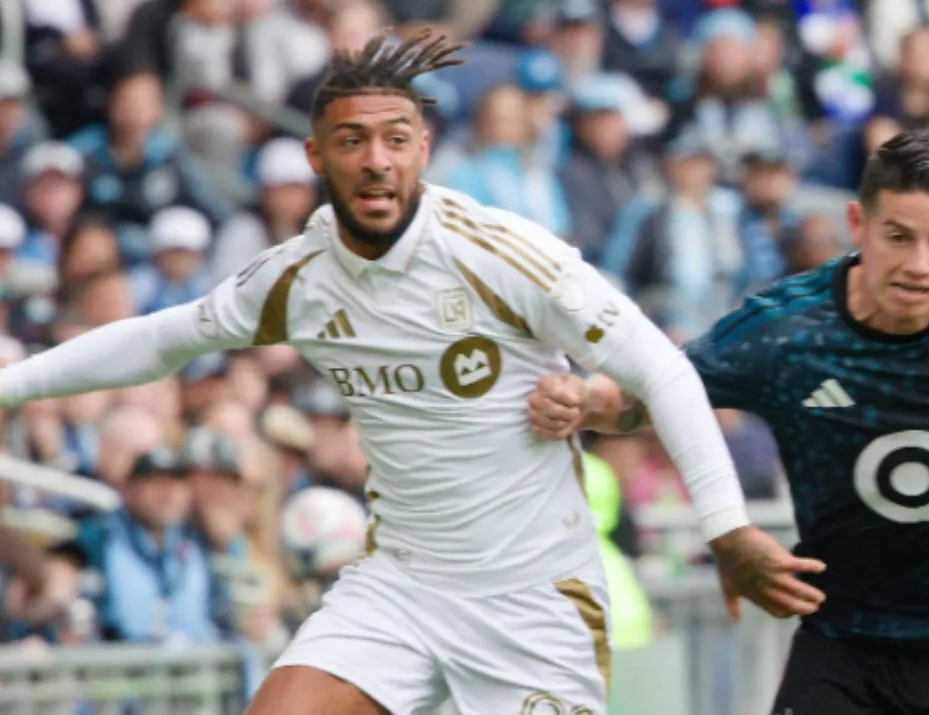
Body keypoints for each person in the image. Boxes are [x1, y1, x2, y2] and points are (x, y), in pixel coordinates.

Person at [0, 29, 824, 715]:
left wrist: (726, 527)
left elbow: (662, 369)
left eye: (395, 139)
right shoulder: (299, 279)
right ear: (315, 154)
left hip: (532, 602)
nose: (375, 161)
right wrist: (14, 384)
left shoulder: (500, 253)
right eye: (352, 141)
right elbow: (159, 338)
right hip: (401, 589)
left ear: (422, 148)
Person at [528, 129, 929, 714]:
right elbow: (658, 391)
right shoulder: (786, 332)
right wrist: (583, 401)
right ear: (858, 225)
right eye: (898, 237)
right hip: (853, 642)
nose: (920, 266)